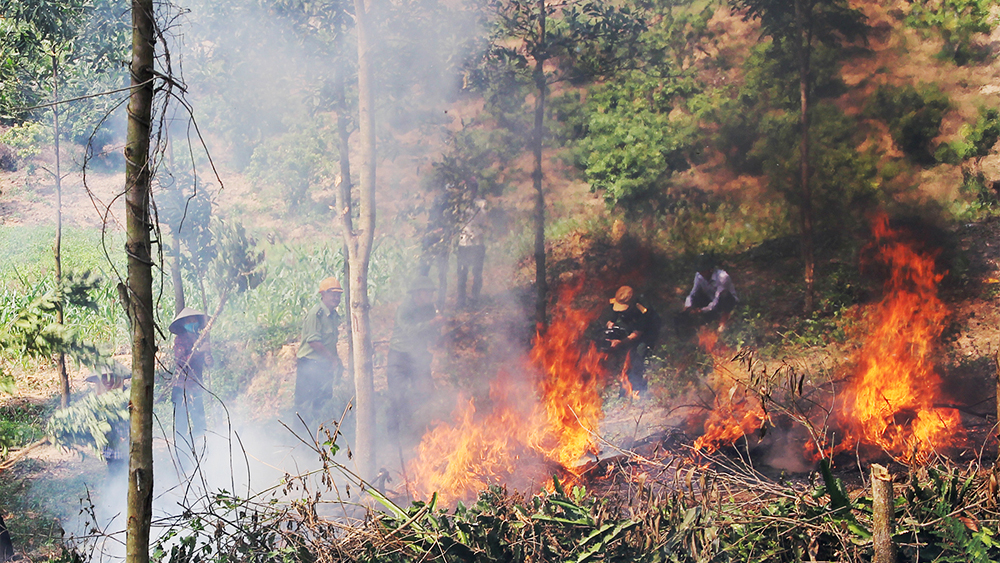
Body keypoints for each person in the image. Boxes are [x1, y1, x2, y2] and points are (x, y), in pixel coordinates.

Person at [386, 276, 442, 443]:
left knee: (426, 393)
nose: (431, 296)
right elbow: (410, 330)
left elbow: (430, 333)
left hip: (418, 357)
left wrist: (437, 335)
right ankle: (393, 437)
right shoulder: (405, 309)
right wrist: (432, 323)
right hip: (399, 358)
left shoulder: (430, 309)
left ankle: (423, 432)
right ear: (418, 293)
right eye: (428, 292)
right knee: (398, 396)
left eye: (432, 293)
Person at [295, 277, 344, 426]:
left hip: (323, 365)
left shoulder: (333, 316)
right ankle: (300, 440)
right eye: (332, 294)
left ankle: (320, 438)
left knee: (322, 403)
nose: (336, 298)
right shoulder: (316, 314)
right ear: (323, 294)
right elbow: (314, 341)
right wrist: (332, 359)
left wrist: (335, 361)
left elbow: (330, 342)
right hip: (309, 365)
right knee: (305, 405)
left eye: (338, 294)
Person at [598, 286, 656, 396]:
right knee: (626, 353)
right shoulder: (617, 301)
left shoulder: (642, 310)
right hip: (632, 328)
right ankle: (625, 383)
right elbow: (614, 315)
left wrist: (621, 342)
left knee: (638, 352)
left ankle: (638, 388)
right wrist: (611, 324)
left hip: (647, 330)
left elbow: (637, 334)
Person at [169, 308, 212, 451]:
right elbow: (182, 363)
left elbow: (208, 363)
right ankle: (181, 455)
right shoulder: (180, 340)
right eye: (189, 320)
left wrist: (208, 358)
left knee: (201, 425)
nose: (192, 322)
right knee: (181, 428)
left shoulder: (202, 338)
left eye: (194, 320)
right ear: (183, 323)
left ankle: (193, 450)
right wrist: (199, 352)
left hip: (196, 388)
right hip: (181, 389)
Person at [682, 255, 739, 333]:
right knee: (696, 297)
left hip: (724, 302)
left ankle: (722, 324)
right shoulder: (699, 276)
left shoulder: (722, 277)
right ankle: (698, 324)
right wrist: (688, 305)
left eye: (703, 271)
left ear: (710, 270)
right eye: (700, 271)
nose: (701, 273)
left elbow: (717, 299)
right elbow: (693, 293)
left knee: (724, 295)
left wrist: (703, 310)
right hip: (710, 301)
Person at [456, 183, 487, 309]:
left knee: (477, 272)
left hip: (477, 243)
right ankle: (461, 300)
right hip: (463, 243)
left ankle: (475, 298)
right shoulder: (459, 204)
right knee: (462, 272)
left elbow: (483, 222)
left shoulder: (481, 204)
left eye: (471, 189)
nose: (469, 191)